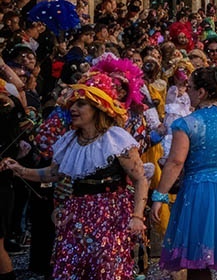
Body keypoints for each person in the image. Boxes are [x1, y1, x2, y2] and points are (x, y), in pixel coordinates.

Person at [3, 72, 149, 280]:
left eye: (80, 104)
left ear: (97, 108)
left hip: (111, 214)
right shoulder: (69, 140)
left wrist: (136, 217)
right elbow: (53, 173)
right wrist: (19, 169)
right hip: (77, 214)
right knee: (71, 268)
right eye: (72, 104)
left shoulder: (116, 139)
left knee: (106, 270)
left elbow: (140, 178)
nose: (72, 109)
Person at [151, 66, 217, 278]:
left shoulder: (187, 124)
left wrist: (159, 195)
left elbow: (175, 161)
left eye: (190, 87)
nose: (187, 92)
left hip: (198, 191)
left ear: (201, 93)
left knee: (198, 260)